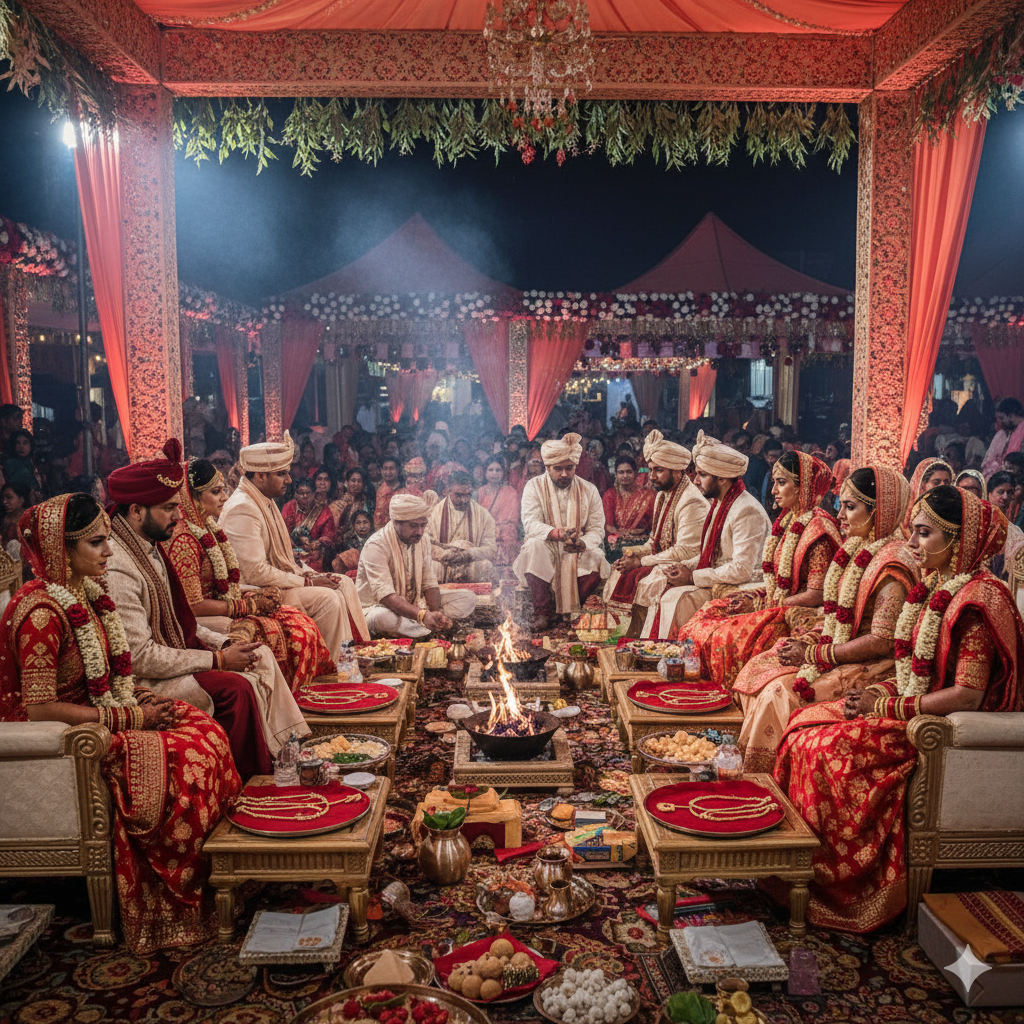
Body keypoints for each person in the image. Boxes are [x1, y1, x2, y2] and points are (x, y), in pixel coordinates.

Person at [0, 492, 242, 954]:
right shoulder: (42, 614)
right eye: (96, 543)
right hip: (69, 738)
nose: (109, 552)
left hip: (104, 709)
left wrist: (138, 700)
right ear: (60, 550)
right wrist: (128, 715)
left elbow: (110, 671)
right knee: (188, 758)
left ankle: (222, 875)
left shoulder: (85, 593)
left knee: (204, 728)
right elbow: (39, 709)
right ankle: (176, 900)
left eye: (108, 540)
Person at [774, 487, 1023, 932]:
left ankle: (839, 884)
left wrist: (889, 704)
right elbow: (916, 667)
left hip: (940, 727)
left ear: (959, 540)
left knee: (824, 749)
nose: (911, 543)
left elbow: (966, 695)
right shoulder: (937, 585)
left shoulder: (977, 602)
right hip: (913, 706)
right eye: (913, 531)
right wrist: (879, 693)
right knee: (804, 722)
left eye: (924, 534)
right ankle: (790, 867)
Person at [104, 440, 288, 777]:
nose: (178, 516)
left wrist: (224, 643)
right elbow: (140, 657)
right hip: (145, 679)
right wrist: (219, 660)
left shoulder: (148, 546)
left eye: (177, 506)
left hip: (171, 656)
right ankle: (249, 779)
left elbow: (179, 621)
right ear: (136, 511)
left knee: (257, 654)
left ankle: (284, 751)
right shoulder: (119, 566)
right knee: (237, 689)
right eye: (168, 508)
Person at [731, 467, 916, 771]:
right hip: (840, 648)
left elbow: (880, 642)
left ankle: (766, 775)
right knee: (761, 665)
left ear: (878, 511)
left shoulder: (892, 564)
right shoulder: (858, 547)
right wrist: (811, 639)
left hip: (875, 664)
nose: (840, 514)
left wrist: (816, 653)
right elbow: (836, 611)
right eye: (841, 504)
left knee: (780, 690)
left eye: (850, 507)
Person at [673, 450, 841, 687]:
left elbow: (816, 594)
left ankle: (717, 695)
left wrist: (769, 603)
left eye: (781, 483)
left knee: (720, 635)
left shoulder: (818, 530)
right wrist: (756, 598)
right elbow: (776, 580)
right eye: (774, 482)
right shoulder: (788, 521)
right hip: (776, 600)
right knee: (704, 616)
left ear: (802, 487)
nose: (773, 491)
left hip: (797, 609)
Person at [166, 459, 336, 692]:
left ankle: (311, 693)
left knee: (299, 621)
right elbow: (193, 606)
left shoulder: (208, 528)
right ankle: (294, 698)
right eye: (216, 492)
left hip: (227, 602)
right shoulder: (184, 539)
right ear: (192, 498)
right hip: (202, 617)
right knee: (291, 630)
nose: (224, 497)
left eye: (223, 490)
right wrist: (247, 606)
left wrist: (254, 598)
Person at [219, 431, 369, 656]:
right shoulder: (243, 508)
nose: (289, 480)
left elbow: (286, 558)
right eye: (282, 474)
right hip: (256, 591)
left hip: (274, 582)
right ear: (260, 476)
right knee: (329, 599)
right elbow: (255, 572)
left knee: (343, 582)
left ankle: (356, 656)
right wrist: (307, 582)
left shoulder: (263, 499)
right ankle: (332, 667)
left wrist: (311, 575)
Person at [649, 432, 772, 639]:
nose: (695, 481)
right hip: (725, 579)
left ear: (721, 478)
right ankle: (660, 649)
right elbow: (713, 553)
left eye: (702, 475)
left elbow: (742, 570)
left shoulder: (746, 510)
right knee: (663, 583)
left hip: (746, 586)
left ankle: (680, 652)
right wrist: (683, 566)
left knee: (679, 598)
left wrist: (692, 577)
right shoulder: (720, 503)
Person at [603, 433, 709, 637]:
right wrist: (632, 553)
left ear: (677, 471)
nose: (651, 476)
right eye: (651, 469)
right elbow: (654, 541)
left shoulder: (691, 501)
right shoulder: (662, 495)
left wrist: (641, 562)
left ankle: (646, 637)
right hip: (665, 558)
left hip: (685, 564)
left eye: (659, 470)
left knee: (649, 581)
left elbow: (685, 551)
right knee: (619, 570)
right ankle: (627, 635)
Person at [513, 432, 609, 630]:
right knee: (533, 546)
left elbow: (597, 529)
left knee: (598, 556)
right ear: (547, 467)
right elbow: (530, 523)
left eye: (569, 468)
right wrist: (556, 533)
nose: (564, 474)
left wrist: (583, 543)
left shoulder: (589, 489)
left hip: (576, 548)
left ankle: (572, 612)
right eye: (558, 469)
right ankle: (543, 612)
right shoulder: (533, 486)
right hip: (547, 546)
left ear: (575, 466)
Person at [357, 494, 476, 637]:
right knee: (383, 619)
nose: (419, 532)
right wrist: (423, 616)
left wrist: (435, 614)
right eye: (413, 526)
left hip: (416, 604)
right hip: (379, 607)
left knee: (468, 598)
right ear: (396, 522)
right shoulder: (376, 545)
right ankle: (424, 629)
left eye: (423, 525)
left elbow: (429, 582)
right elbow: (386, 596)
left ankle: (423, 626)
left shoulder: (422, 539)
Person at [426, 470, 497, 583]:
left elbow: (491, 549)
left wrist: (468, 555)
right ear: (448, 490)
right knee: (430, 567)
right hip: (443, 564)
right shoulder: (434, 513)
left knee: (485, 567)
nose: (464, 500)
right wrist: (444, 555)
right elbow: (426, 544)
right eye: (458, 495)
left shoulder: (483, 515)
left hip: (470, 564)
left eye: (468, 495)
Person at [601, 455, 655, 563]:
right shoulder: (610, 495)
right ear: (615, 474)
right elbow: (608, 526)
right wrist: (624, 534)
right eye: (621, 472)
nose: (625, 476)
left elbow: (654, 526)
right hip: (618, 545)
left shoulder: (649, 496)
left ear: (636, 473)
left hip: (643, 545)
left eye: (629, 472)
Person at [281, 478, 336, 573]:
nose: (305, 496)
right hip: (290, 549)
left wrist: (318, 542)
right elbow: (282, 531)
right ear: (295, 494)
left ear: (314, 494)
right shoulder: (288, 507)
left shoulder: (324, 511)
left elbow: (329, 536)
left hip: (313, 551)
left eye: (308, 493)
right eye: (301, 493)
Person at [475, 455, 521, 566]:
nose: (494, 473)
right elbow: (476, 519)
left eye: (498, 470)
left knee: (508, 532)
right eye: (491, 470)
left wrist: (498, 530)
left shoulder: (510, 492)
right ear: (485, 472)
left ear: (503, 472)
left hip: (506, 534)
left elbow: (512, 521)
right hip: (485, 532)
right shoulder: (479, 492)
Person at [903, 458, 953, 532]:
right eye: (936, 482)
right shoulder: (911, 514)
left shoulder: (953, 512)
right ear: (923, 485)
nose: (942, 486)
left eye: (946, 482)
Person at [981, 397, 1024, 479]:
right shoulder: (1007, 433)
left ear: (1011, 415)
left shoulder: (1020, 431)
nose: (1000, 421)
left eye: (1002, 418)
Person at [329, 467, 375, 537]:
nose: (356, 484)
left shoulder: (368, 504)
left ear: (363, 484)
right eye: (353, 480)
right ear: (346, 482)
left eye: (359, 481)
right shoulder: (337, 505)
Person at [744, 436, 784, 511]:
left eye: (779, 456)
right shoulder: (756, 468)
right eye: (773, 456)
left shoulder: (783, 470)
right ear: (765, 455)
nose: (777, 459)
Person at [2, 429, 39, 493]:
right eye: (18, 443)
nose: (21, 446)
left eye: (25, 443)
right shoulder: (10, 464)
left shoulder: (32, 462)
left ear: (31, 445)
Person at [374, 458, 405, 529]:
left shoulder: (404, 490)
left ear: (398, 470)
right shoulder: (379, 490)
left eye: (391, 468)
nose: (388, 472)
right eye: (385, 468)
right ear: (381, 470)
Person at [1, 480, 31, 546]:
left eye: (9, 497)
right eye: (3, 498)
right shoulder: (6, 518)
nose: (4, 502)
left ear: (21, 500)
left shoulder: (27, 520)